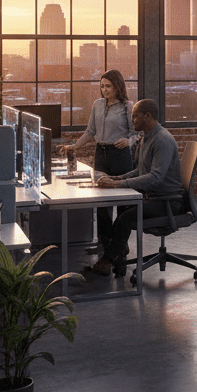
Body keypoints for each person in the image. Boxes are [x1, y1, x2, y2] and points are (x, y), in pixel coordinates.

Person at [85, 99, 185, 277]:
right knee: (122, 215)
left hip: (167, 202)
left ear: (148, 116)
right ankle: (116, 258)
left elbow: (155, 177)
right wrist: (116, 178)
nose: (132, 120)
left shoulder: (162, 140)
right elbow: (141, 170)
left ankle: (107, 261)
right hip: (153, 197)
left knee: (124, 219)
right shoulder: (146, 137)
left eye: (135, 116)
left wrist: (119, 184)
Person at [56, 69, 134, 255]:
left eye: (108, 86)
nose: (104, 90)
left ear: (117, 87)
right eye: (102, 86)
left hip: (120, 155)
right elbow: (90, 132)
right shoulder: (97, 105)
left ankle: (120, 244)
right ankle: (104, 243)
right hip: (101, 154)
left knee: (123, 203)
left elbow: (137, 133)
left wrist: (129, 141)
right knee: (102, 202)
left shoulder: (127, 107)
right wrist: (75, 146)